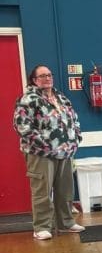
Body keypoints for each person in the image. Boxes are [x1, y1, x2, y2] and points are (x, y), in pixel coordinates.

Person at [13, 64, 84, 239]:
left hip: (65, 152)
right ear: (34, 80)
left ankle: (66, 223)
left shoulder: (61, 98)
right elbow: (22, 126)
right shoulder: (28, 99)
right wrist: (44, 145)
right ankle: (41, 227)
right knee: (42, 191)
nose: (47, 78)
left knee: (65, 190)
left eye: (49, 75)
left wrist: (76, 138)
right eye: (42, 76)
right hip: (40, 154)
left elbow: (74, 119)